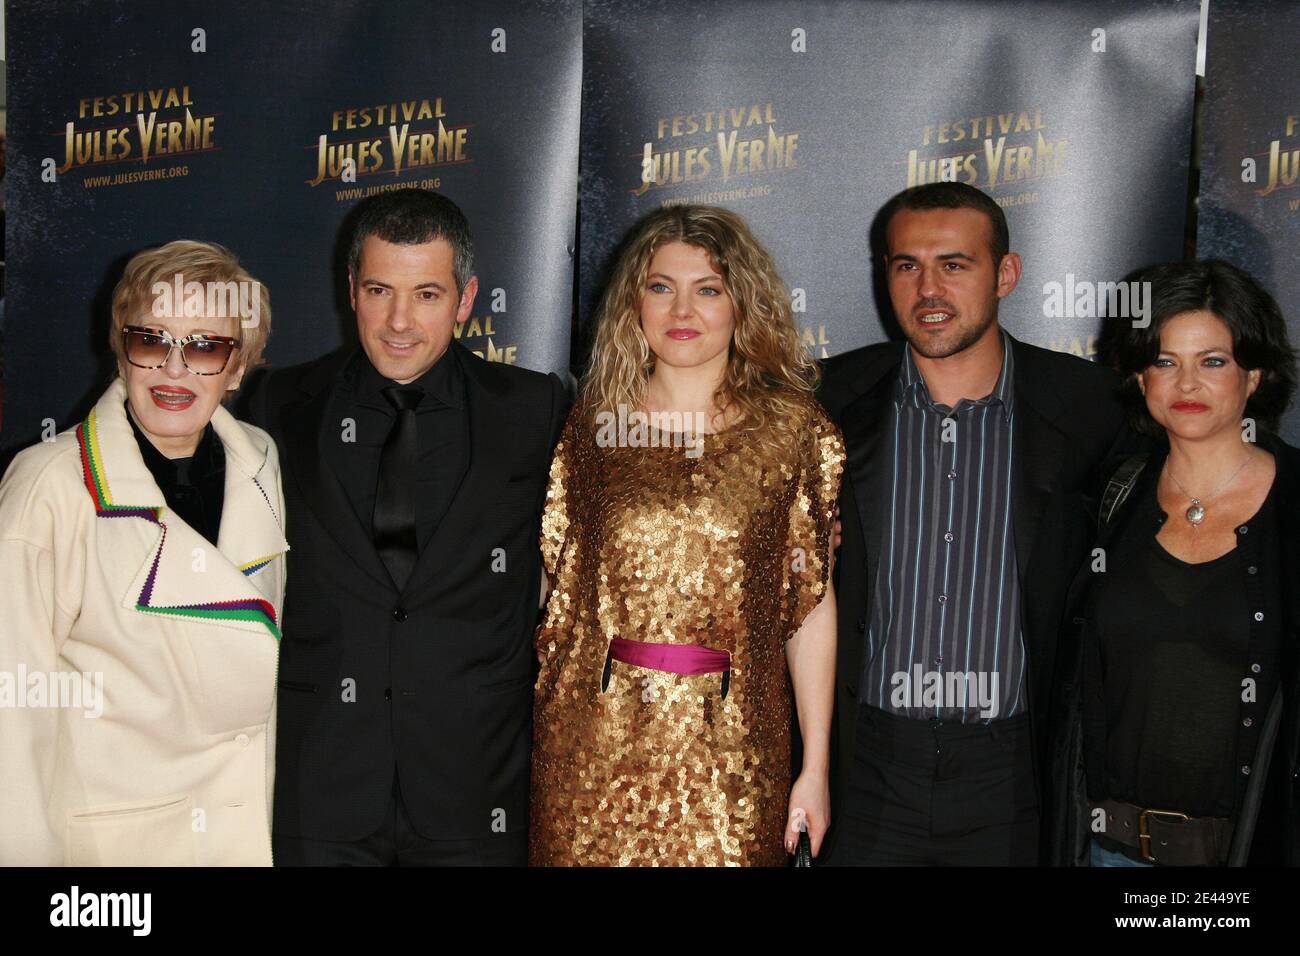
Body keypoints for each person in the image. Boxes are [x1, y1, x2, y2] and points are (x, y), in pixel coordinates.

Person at [241, 188, 569, 866]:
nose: (400, 321)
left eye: (427, 294)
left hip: (476, 790)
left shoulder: (535, 411)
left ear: (467, 298)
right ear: (351, 290)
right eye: (380, 290)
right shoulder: (278, 404)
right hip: (319, 787)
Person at [818, 181, 1134, 865]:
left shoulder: (1091, 410)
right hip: (867, 766)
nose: (928, 289)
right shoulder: (824, 403)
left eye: (954, 265)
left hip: (1017, 774)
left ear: (1006, 275)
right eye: (907, 266)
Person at [530, 204, 843, 866]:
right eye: (661, 286)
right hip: (591, 748)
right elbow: (556, 594)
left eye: (708, 289)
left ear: (741, 304)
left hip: (733, 754)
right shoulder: (592, 431)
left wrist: (814, 767)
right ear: (633, 303)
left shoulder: (790, 434)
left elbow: (808, 607)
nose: (682, 311)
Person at [0, 240, 284, 865]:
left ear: (239, 369)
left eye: (206, 347)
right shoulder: (47, 484)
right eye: (151, 341)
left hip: (241, 839)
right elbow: (12, 720)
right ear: (122, 353)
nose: (174, 371)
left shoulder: (260, 463)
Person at [1048, 259, 1300, 867]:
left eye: (1213, 361)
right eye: (1165, 362)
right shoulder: (1104, 500)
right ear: (1140, 379)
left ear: (1255, 374)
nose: (1187, 384)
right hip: (1109, 853)